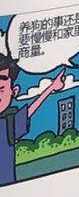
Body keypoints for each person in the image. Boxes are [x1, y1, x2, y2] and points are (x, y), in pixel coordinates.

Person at [0, 56, 66, 185]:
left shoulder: (9, 121)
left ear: (14, 91)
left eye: (1, 90)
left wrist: (52, 87)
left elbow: (29, 111)